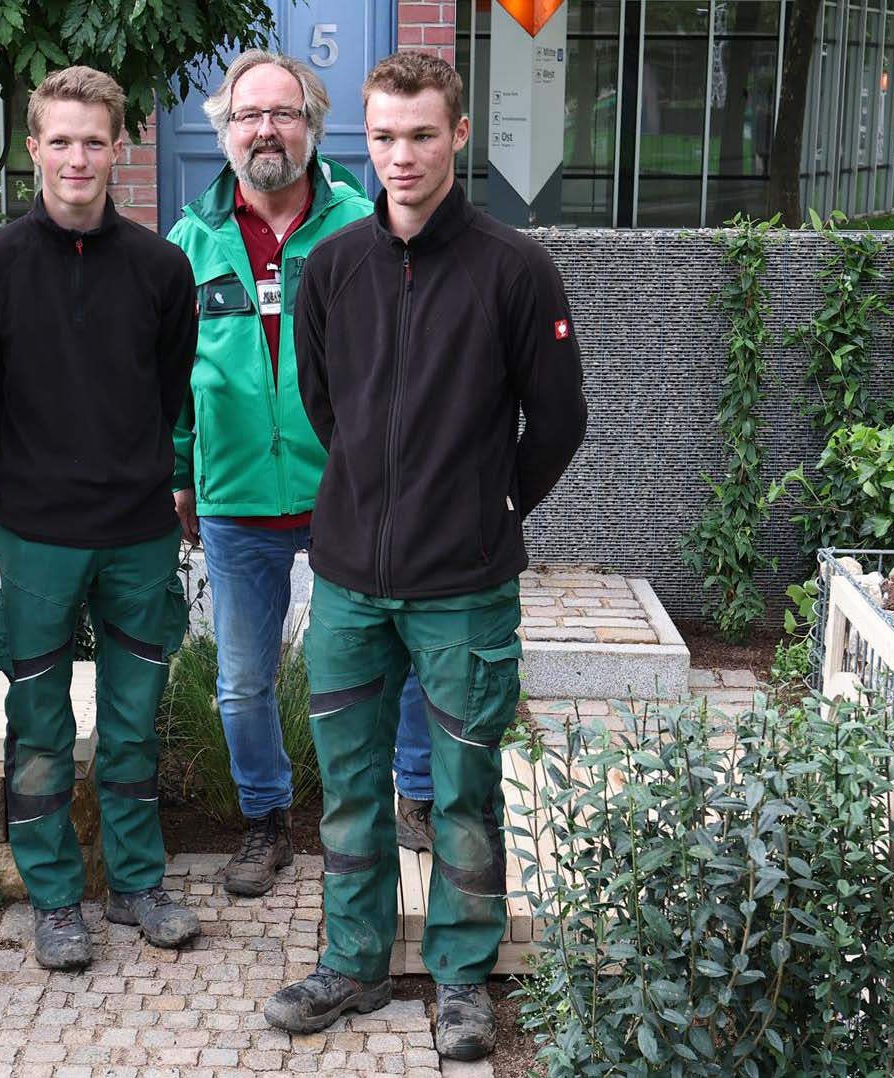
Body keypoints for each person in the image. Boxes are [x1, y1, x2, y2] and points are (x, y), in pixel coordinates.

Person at [264, 51, 588, 1061]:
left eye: (420, 135)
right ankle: (353, 964)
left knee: (464, 790)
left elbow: (562, 421)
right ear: (366, 139)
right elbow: (324, 405)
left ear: (457, 138)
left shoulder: (515, 269)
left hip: (463, 589)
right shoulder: (334, 269)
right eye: (384, 136)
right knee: (352, 787)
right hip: (352, 582)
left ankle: (460, 978)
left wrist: (491, 506)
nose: (400, 157)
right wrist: (369, 495)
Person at [165, 50, 441, 899]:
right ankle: (265, 823)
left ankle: (418, 799)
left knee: (393, 657)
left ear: (313, 128)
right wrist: (180, 470)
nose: (266, 130)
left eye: (284, 114)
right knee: (242, 680)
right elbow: (172, 372)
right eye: (249, 116)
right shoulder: (191, 239)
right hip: (236, 497)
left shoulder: (363, 224)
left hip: (347, 495)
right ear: (225, 131)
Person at [0, 66, 201, 973]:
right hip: (38, 536)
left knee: (135, 721)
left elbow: (169, 389)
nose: (78, 157)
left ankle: (137, 884)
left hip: (138, 533)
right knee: (40, 724)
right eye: (60, 140)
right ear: (33, 149)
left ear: (121, 146)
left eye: (95, 140)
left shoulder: (163, 269)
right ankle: (56, 900)